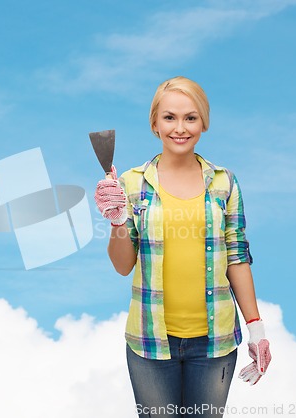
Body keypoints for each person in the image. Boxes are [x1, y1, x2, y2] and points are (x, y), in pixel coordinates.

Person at [94, 76, 271, 417]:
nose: (180, 128)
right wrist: (117, 223)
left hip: (215, 343)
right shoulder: (131, 184)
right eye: (169, 117)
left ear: (203, 122)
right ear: (155, 123)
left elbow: (237, 257)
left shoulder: (224, 183)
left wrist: (257, 329)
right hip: (150, 342)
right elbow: (122, 265)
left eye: (190, 117)